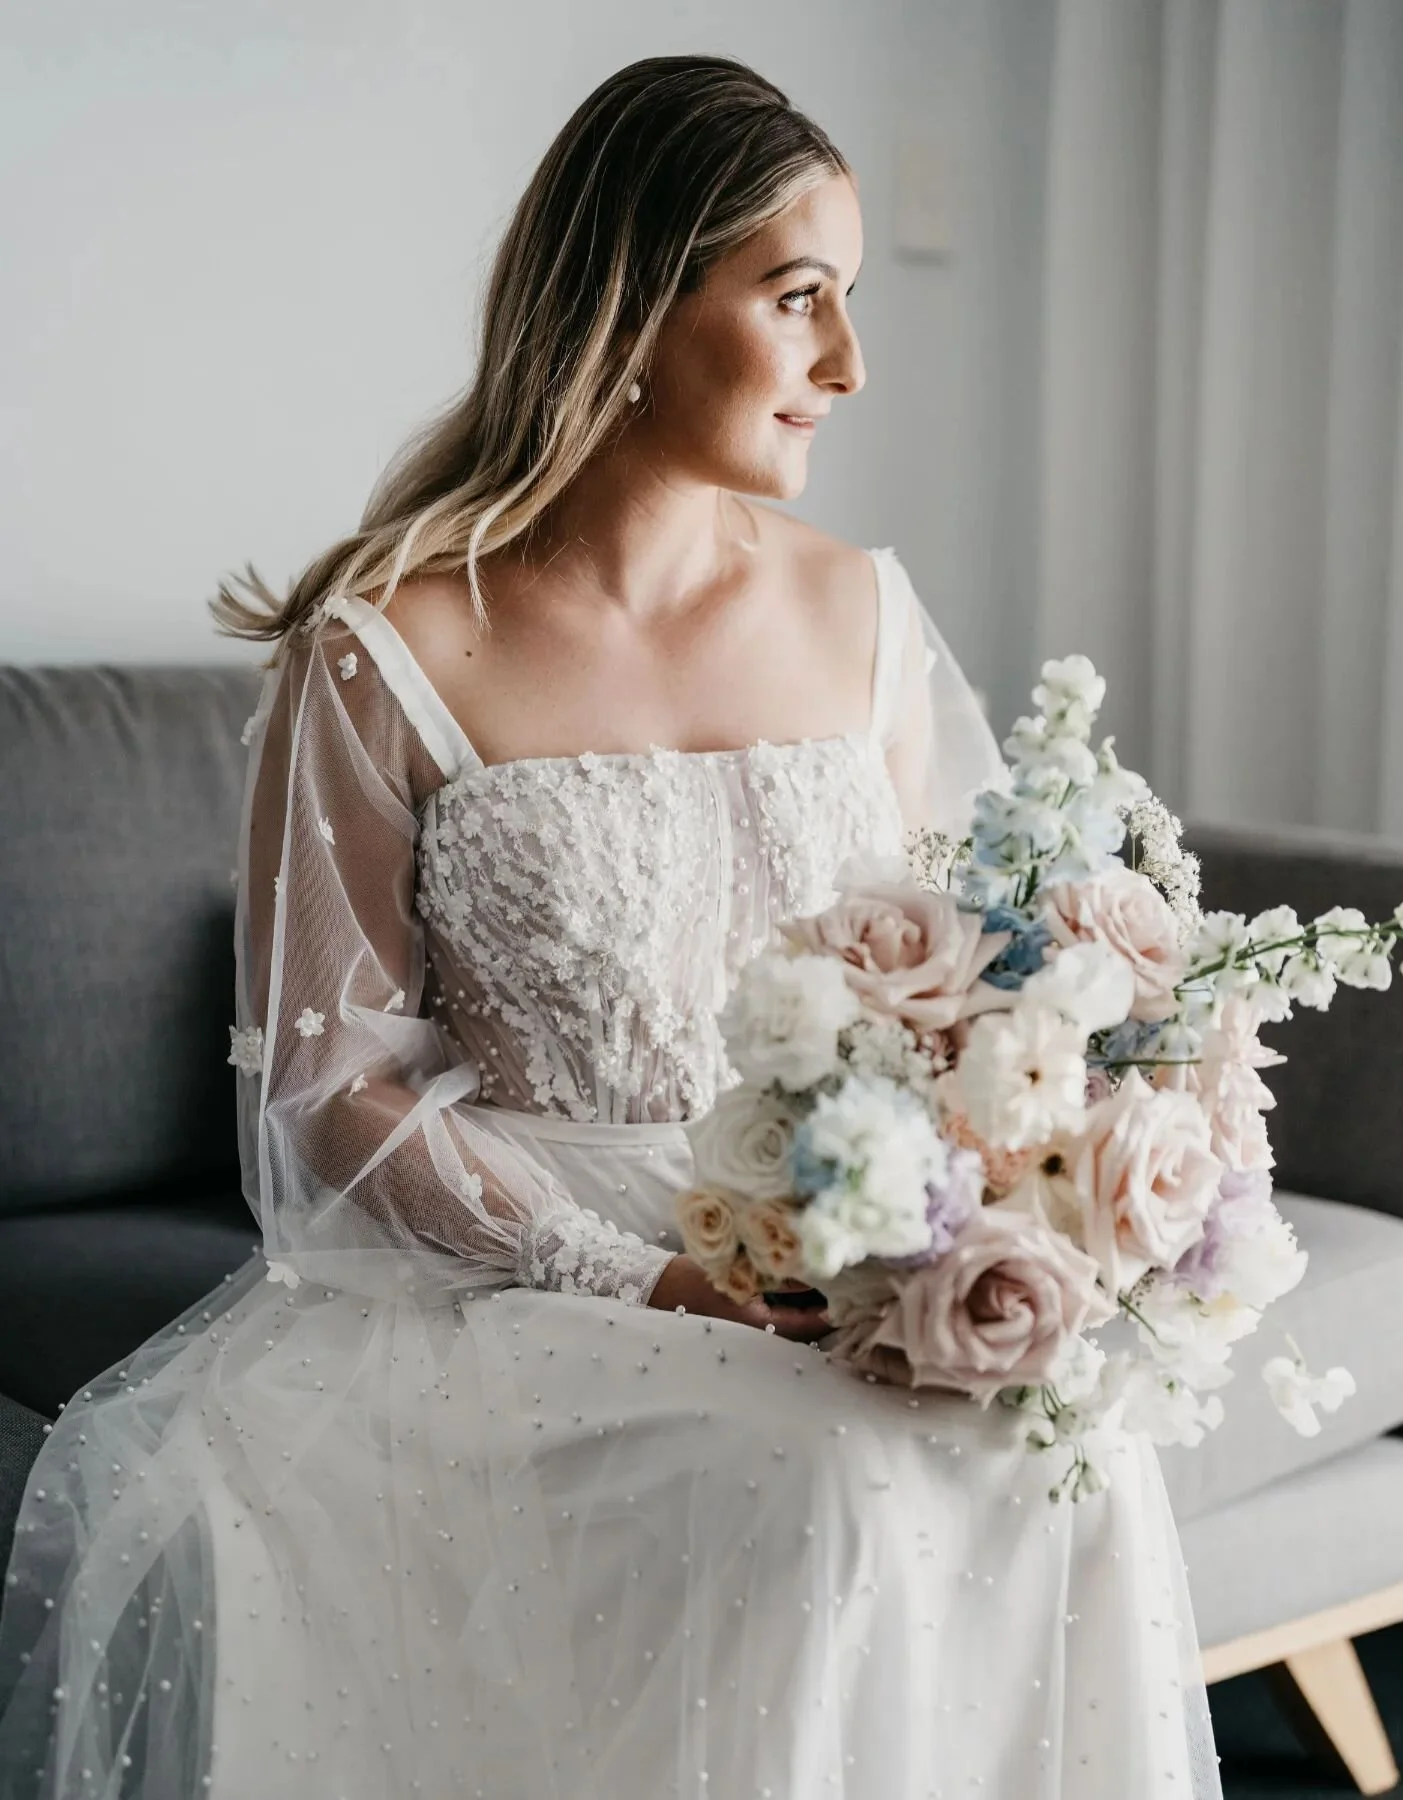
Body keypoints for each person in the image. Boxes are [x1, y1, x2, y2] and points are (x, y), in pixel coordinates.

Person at [0, 53, 1223, 1799]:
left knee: (1057, 1448)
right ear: (639, 304)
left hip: (836, 1251)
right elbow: (333, 1092)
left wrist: (1018, 1183)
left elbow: (995, 978)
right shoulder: (389, 644)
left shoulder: (863, 610)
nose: (846, 366)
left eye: (849, 301)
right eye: (797, 298)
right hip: (521, 1274)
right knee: (829, 1493)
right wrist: (645, 1274)